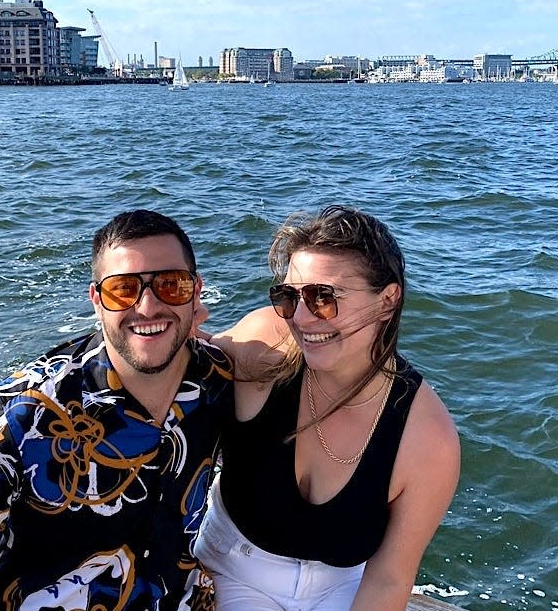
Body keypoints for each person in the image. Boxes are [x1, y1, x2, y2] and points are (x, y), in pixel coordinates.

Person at [0, 209, 233, 611]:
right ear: (97, 301)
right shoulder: (27, 412)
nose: (148, 306)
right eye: (123, 290)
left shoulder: (219, 381)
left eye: (171, 285)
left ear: (196, 293)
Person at [194, 205, 460, 611]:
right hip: (230, 567)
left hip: (341, 590)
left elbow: (389, 579)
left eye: (323, 297)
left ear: (388, 301)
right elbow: (180, 362)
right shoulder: (266, 348)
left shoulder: (426, 439)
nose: (300, 318)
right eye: (288, 297)